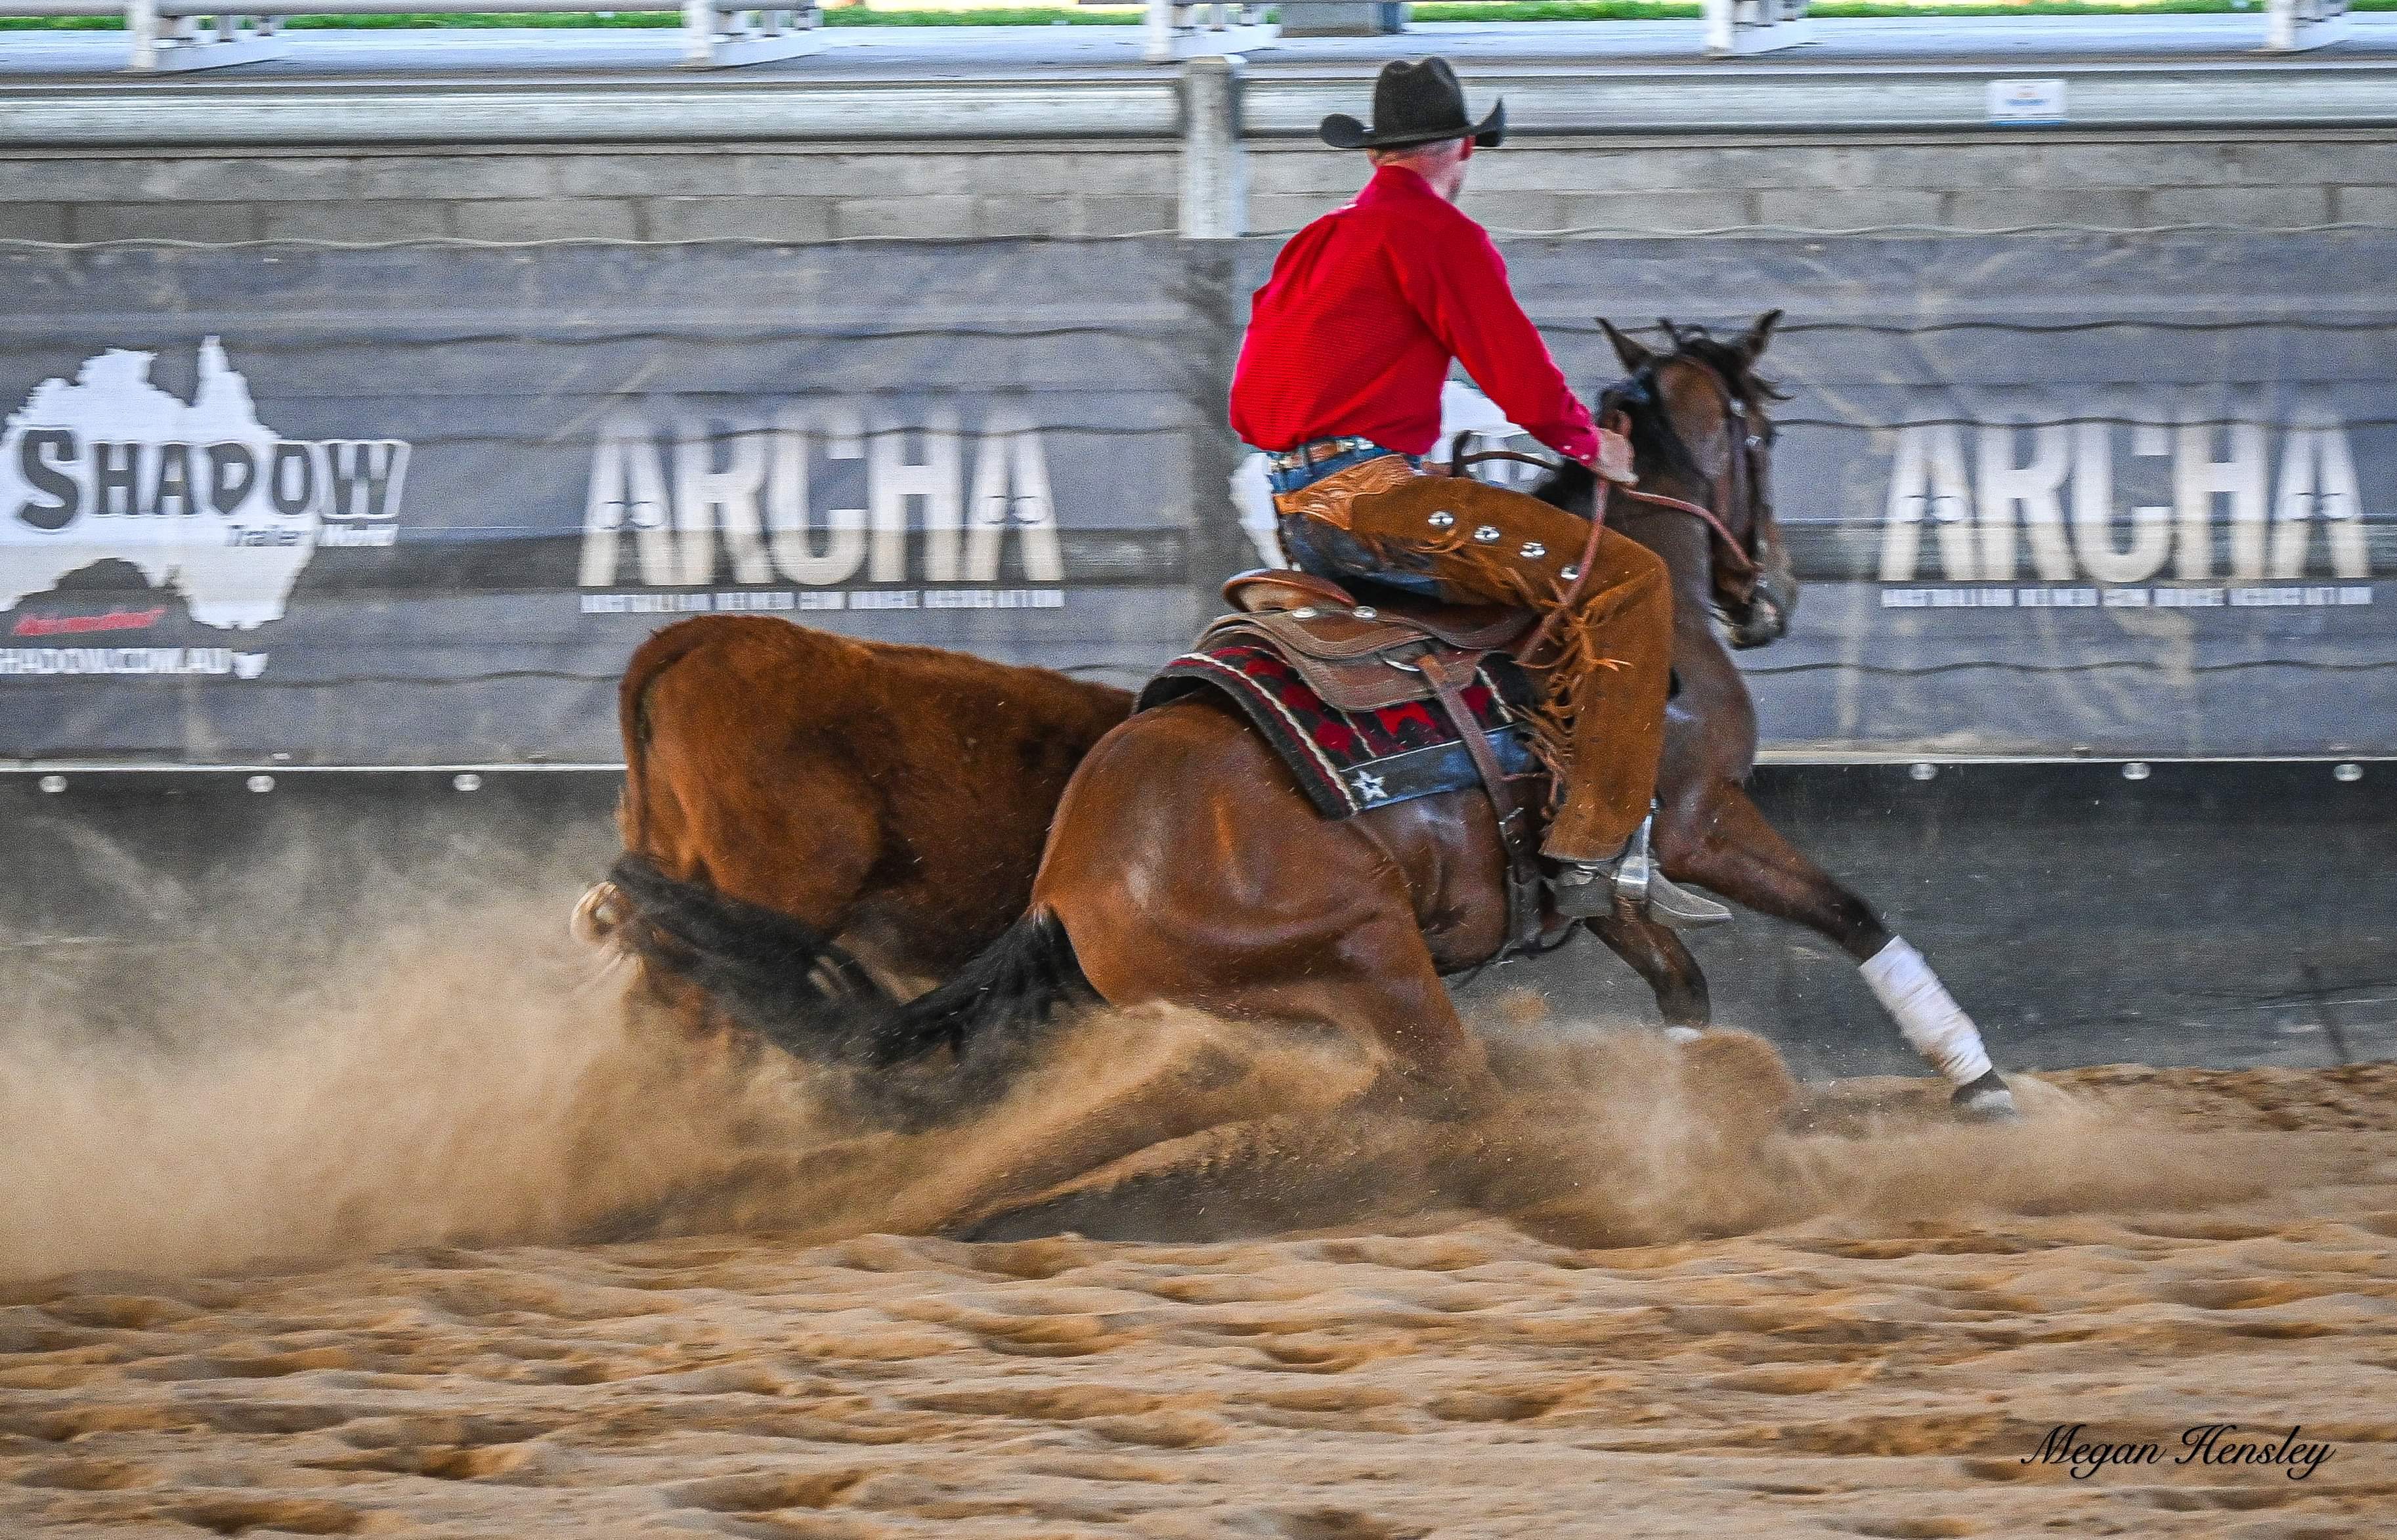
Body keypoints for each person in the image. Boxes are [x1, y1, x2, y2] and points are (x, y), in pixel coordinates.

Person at [1229, 57, 1727, 929]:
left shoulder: (1315, 242)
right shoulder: (1437, 234)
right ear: (1463, 148)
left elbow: (1247, 403)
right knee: (1629, 581)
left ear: (1376, 152)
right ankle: (1597, 849)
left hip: (1298, 511)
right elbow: (1517, 372)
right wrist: (1592, 446)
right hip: (1376, 502)